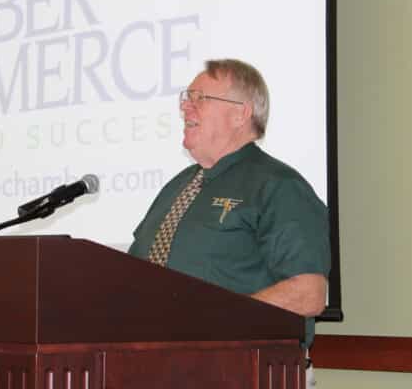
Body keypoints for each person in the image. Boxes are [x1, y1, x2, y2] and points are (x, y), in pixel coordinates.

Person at [128, 59, 331, 353]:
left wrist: (211, 323)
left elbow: (307, 293)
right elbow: (133, 274)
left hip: (241, 369)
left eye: (200, 98)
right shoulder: (176, 188)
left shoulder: (278, 185)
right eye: (186, 98)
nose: (186, 107)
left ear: (241, 114)